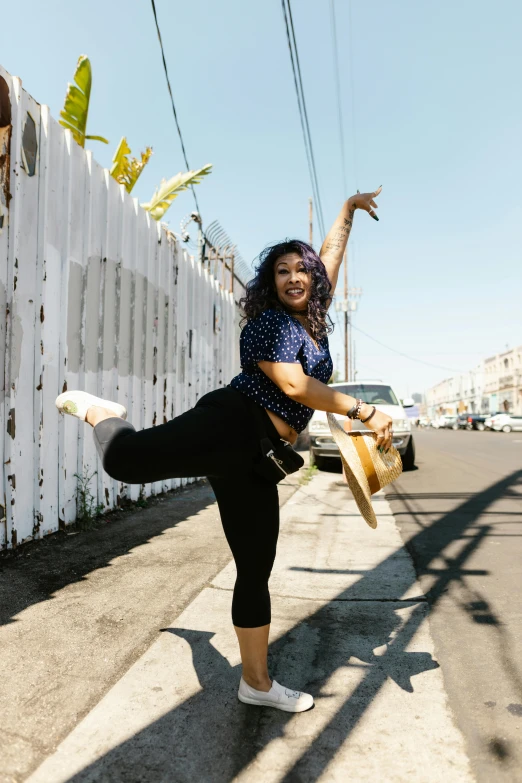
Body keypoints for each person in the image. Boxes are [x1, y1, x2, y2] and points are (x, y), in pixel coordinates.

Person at [55, 187, 393, 713]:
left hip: (261, 462)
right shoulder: (269, 325)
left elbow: (328, 256)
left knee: (255, 565)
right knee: (124, 462)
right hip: (231, 423)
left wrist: (347, 211)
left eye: (300, 269)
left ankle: (255, 683)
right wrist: (364, 410)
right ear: (270, 284)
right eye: (280, 271)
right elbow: (296, 388)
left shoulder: (313, 322)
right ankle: (105, 415)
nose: (294, 276)